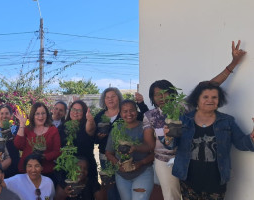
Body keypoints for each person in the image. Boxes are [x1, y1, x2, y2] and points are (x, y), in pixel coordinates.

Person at [144, 40, 247, 200]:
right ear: (152, 97)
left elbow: (209, 85)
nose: (162, 97)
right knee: (171, 196)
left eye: (165, 92)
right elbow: (151, 141)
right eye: (157, 94)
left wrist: (233, 63)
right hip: (163, 160)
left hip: (187, 158)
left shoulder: (183, 106)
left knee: (188, 194)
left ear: (172, 93)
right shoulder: (150, 115)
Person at [167, 81, 254, 199]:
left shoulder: (227, 121)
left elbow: (241, 143)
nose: (210, 100)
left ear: (219, 100)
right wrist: (168, 137)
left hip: (216, 182)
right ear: (197, 99)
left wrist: (252, 137)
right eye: (205, 97)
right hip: (188, 180)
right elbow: (172, 144)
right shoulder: (183, 119)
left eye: (214, 97)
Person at [105, 100, 155, 200]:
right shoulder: (116, 129)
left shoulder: (145, 127)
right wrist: (118, 164)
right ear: (120, 113)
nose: (129, 114)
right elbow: (108, 152)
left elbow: (154, 152)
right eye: (125, 111)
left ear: (136, 112)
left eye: (132, 110)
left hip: (143, 172)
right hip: (122, 175)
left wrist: (141, 163)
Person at [14, 102, 61, 180]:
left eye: (43, 113)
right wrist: (22, 124)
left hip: (45, 171)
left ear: (47, 115)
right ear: (33, 115)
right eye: (37, 114)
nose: (41, 116)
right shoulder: (27, 129)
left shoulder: (53, 130)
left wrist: (44, 156)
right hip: (26, 171)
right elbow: (18, 146)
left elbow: (57, 151)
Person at [58, 100, 98, 188]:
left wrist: (90, 120)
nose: (75, 112)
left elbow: (90, 129)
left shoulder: (86, 125)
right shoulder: (62, 127)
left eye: (79, 110)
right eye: (73, 109)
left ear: (84, 113)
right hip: (67, 166)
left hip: (85, 167)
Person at [0, 104, 20, 178]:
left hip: (15, 165)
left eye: (7, 113)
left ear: (11, 116)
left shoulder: (16, 129)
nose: (4, 116)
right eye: (1, 113)